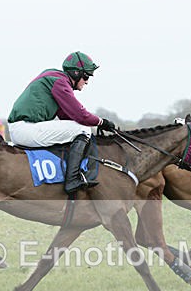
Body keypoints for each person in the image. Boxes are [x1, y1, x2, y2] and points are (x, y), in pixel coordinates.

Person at [7, 51, 117, 194]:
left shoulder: (54, 77)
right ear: (76, 73)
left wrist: (93, 122)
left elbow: (67, 115)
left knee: (80, 128)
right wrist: (101, 122)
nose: (87, 81)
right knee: (84, 130)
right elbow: (80, 115)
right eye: (86, 76)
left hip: (22, 128)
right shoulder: (60, 82)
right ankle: (72, 179)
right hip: (26, 129)